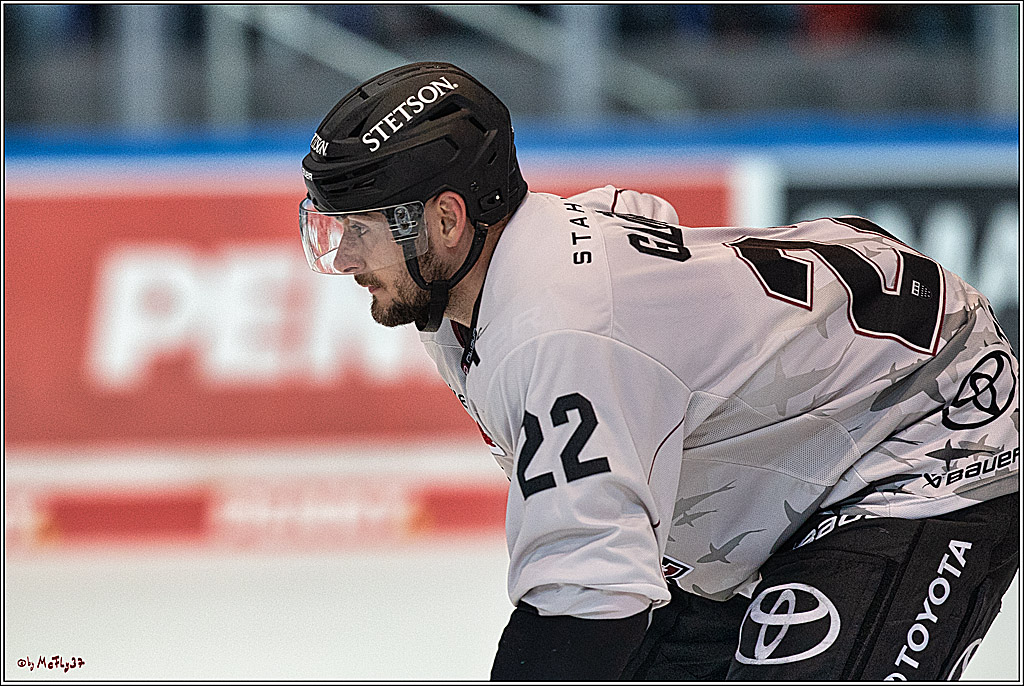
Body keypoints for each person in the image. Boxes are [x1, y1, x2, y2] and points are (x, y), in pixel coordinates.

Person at [299, 62, 1019, 681]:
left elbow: (585, 598)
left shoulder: (557, 333)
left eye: (360, 229)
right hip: (809, 463)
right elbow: (638, 222)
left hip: (928, 435)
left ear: (448, 220)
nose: (347, 259)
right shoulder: (485, 285)